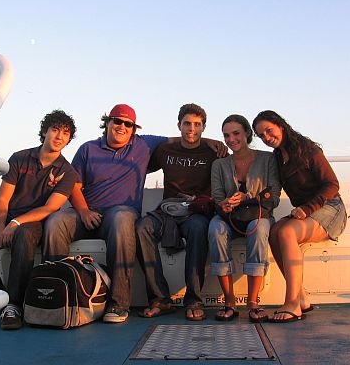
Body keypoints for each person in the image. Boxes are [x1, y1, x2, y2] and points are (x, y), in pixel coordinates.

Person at [42, 103, 228, 324]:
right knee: (55, 222)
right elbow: (74, 184)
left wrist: (211, 141)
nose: (122, 126)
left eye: (128, 124)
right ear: (107, 123)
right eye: (117, 121)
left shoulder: (144, 144)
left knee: (126, 220)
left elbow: (187, 139)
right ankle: (55, 297)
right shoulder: (88, 148)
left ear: (133, 128)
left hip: (128, 212)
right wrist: (83, 211)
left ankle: (121, 304)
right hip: (89, 212)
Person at [0, 110, 78, 330]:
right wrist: (0, 227)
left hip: (39, 221)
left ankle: (14, 304)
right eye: (55, 129)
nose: (59, 136)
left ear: (69, 139)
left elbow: (50, 207)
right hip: (9, 217)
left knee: (23, 236)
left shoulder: (68, 171)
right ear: (44, 131)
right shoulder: (20, 158)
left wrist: (15, 225)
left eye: (65, 133)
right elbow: (3, 198)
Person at [252, 110, 347, 323]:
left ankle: (292, 303)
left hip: (330, 208)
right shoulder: (278, 156)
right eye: (261, 135)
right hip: (307, 211)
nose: (266, 137)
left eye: (269, 130)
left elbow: (332, 185)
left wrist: (307, 208)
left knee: (285, 232)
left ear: (281, 126)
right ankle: (302, 297)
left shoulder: (308, 150)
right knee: (274, 231)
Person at [136, 103, 219, 321]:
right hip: (168, 210)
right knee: (142, 227)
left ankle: (194, 299)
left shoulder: (214, 152)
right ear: (179, 125)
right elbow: (139, 163)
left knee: (200, 228)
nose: (191, 129)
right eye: (187, 124)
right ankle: (160, 298)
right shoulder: (165, 150)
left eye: (197, 125)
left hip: (195, 211)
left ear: (203, 128)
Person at [208, 115, 281, 322]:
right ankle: (229, 301)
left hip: (259, 215)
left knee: (258, 230)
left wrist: (247, 197)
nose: (231, 139)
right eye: (226, 136)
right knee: (215, 229)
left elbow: (273, 198)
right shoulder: (219, 165)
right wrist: (224, 204)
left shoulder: (268, 160)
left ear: (247, 133)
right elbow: (217, 199)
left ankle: (253, 302)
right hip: (230, 218)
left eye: (236, 133)